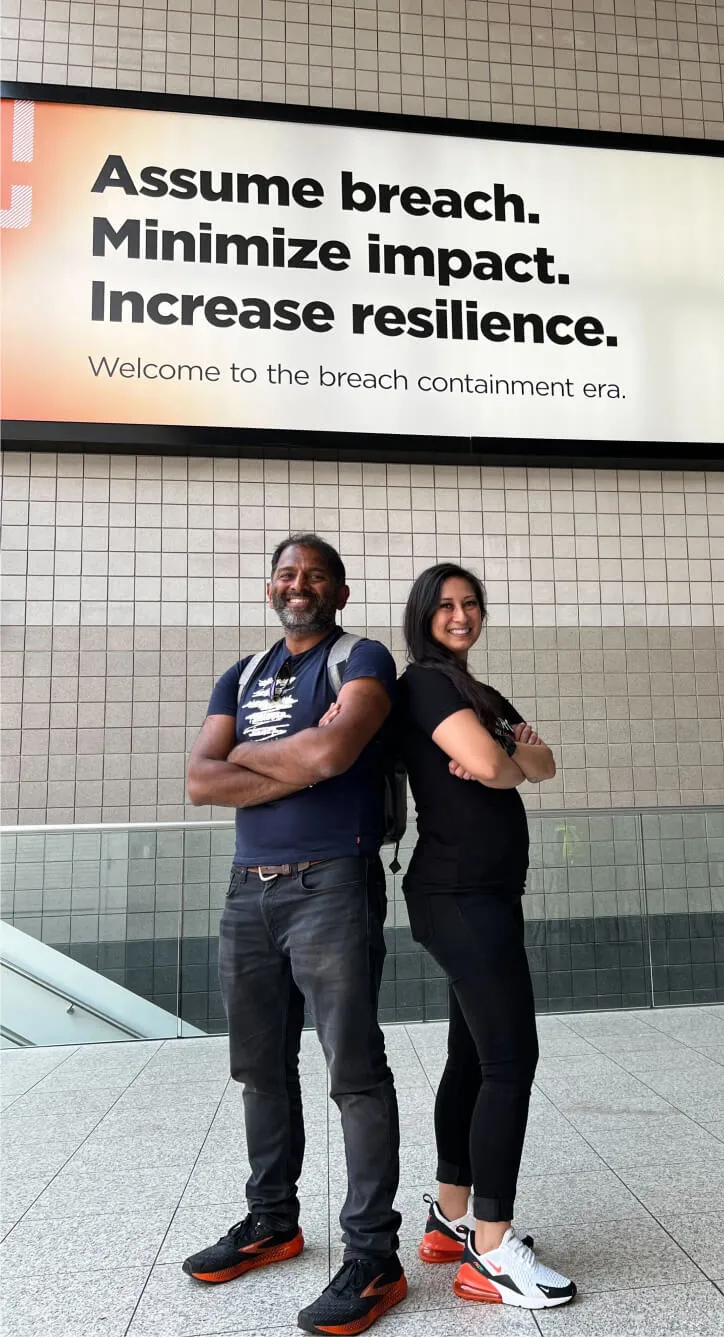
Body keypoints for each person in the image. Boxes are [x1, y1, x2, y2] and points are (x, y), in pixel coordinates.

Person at [182, 534, 407, 1337]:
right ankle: (272, 1221)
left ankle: (374, 1256)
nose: (297, 583)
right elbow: (198, 779)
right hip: (249, 891)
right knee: (258, 1067)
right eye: (286, 573)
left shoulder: (362, 658)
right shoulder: (239, 673)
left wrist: (251, 755)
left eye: (313, 574)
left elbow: (338, 748)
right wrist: (297, 760)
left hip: (331, 884)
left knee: (352, 1069)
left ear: (338, 591)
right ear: (270, 587)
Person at [396, 562, 577, 1310]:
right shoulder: (426, 683)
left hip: (488, 895)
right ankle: (492, 1249)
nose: (461, 614)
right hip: (458, 893)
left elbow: (545, 761)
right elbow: (493, 761)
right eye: (445, 605)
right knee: (511, 1057)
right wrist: (502, 759)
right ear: (422, 615)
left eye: (470, 603)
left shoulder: (480, 692)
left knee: (471, 1054)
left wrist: (507, 760)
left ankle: (448, 1218)